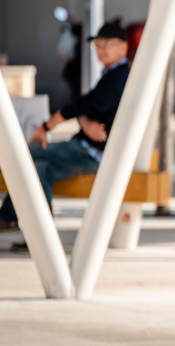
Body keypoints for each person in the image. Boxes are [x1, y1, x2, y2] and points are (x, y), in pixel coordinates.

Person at [0, 20, 130, 243]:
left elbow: (80, 105)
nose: (101, 49)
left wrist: (46, 127)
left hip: (92, 153)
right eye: (97, 44)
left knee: (26, 153)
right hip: (87, 148)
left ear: (124, 47)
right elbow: (85, 106)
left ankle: (14, 220)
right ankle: (41, 238)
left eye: (107, 44)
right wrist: (85, 121)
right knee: (40, 167)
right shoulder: (112, 76)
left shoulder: (119, 79)